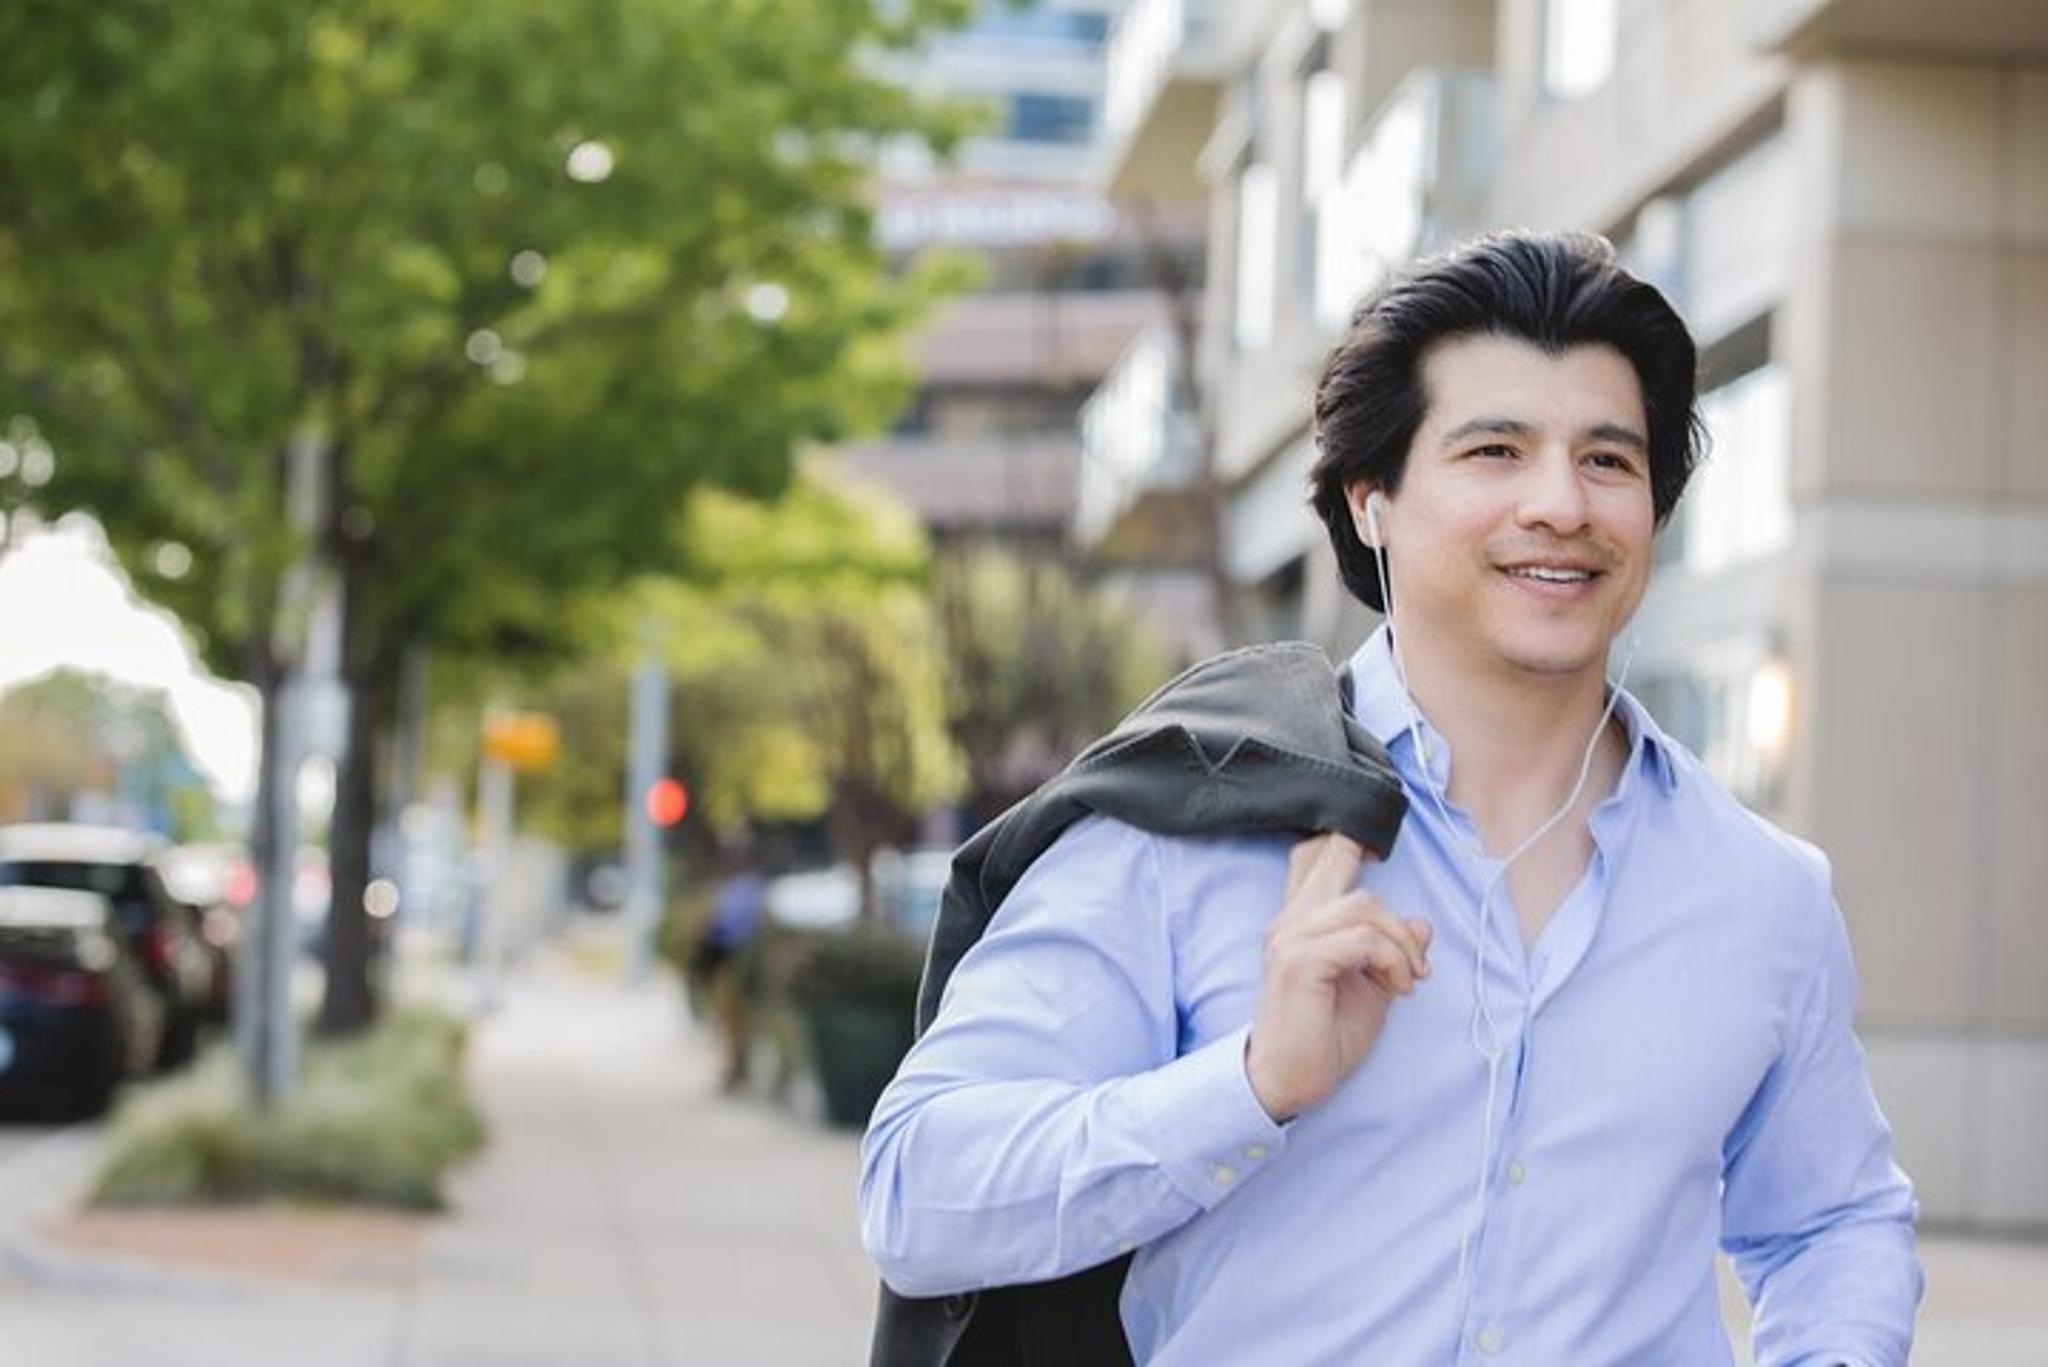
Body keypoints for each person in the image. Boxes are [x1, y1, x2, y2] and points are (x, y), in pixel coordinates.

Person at [859, 231, 1922, 1364]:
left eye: (1608, 460)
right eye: (1495, 450)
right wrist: (1249, 1083)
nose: (1561, 503)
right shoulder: (1191, 819)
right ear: (1369, 498)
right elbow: (920, 1192)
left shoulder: (1761, 893)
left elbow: (1829, 1219)